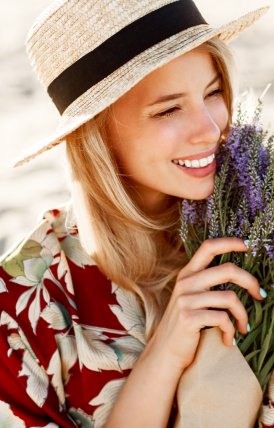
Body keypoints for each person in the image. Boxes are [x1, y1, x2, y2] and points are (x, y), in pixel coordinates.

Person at [0, 0, 272, 427]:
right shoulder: (19, 311)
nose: (210, 128)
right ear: (96, 134)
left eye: (213, 91)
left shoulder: (260, 229)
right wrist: (162, 356)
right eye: (168, 109)